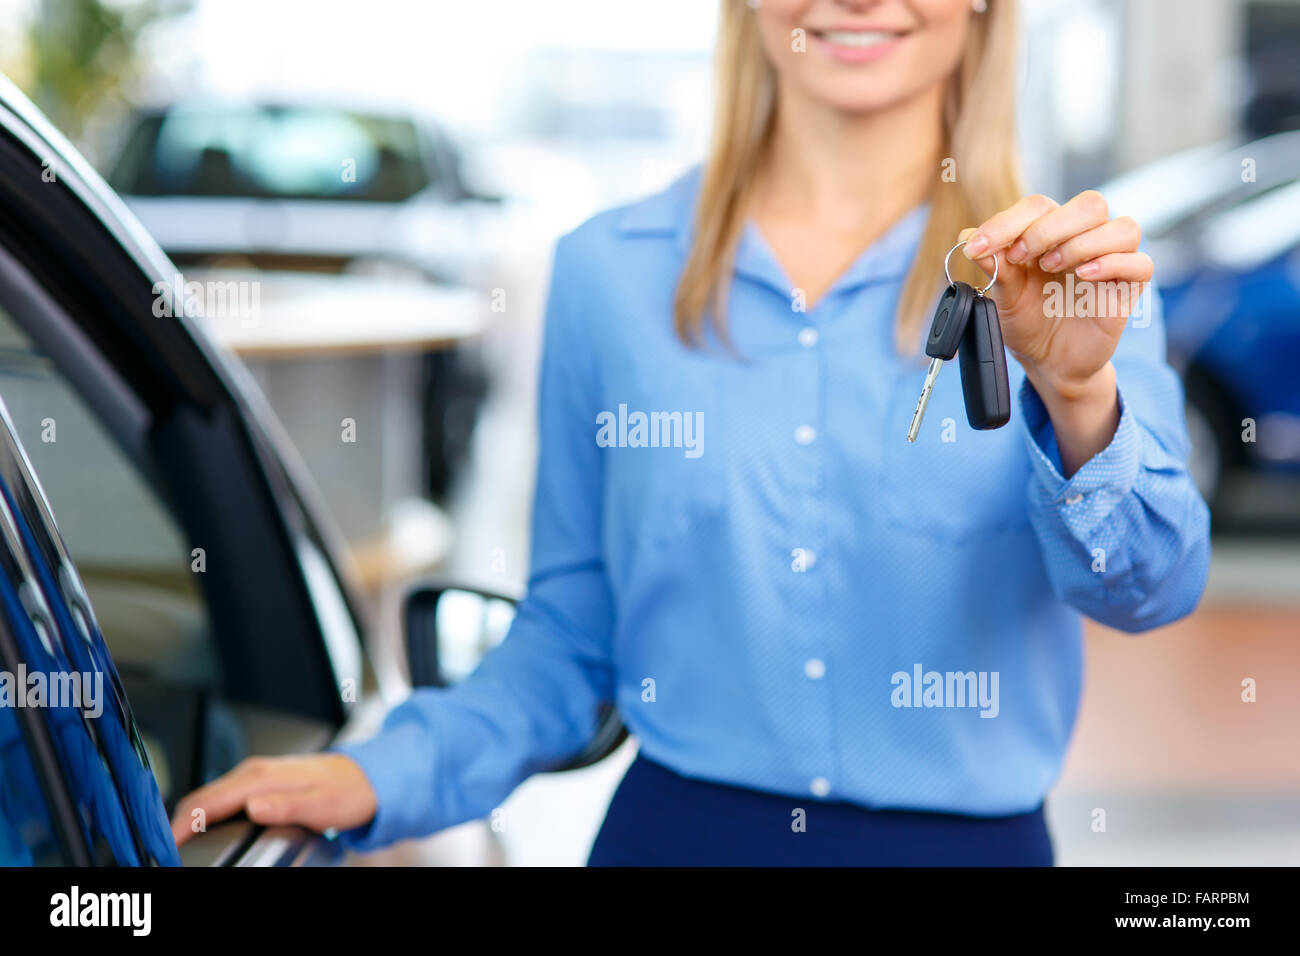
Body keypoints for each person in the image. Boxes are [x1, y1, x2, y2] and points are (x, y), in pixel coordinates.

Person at [172, 0, 1210, 866]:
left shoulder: (1076, 281)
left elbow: (1151, 586)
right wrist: (378, 769)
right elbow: (567, 645)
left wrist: (1079, 398)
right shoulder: (605, 275)